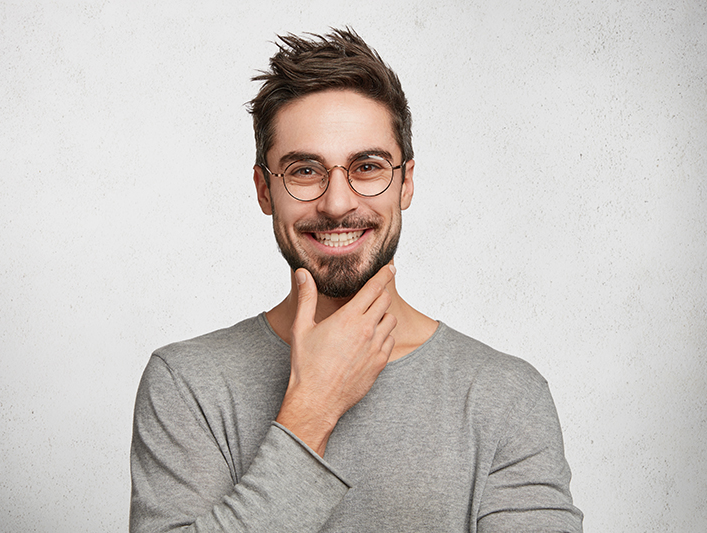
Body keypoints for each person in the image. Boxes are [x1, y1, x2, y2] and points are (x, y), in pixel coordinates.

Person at [129, 28, 583, 532]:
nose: (338, 202)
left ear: (406, 182)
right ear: (264, 191)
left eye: (367, 167)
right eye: (304, 170)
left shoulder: (505, 396)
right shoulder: (187, 384)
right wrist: (312, 408)